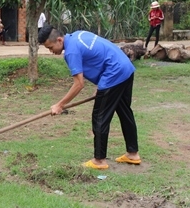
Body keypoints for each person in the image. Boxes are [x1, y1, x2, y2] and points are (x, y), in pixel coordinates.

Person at [37, 25, 141, 170]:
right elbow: (99, 55)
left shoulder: (71, 52)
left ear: (59, 40)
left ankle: (99, 160)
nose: (51, 51)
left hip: (113, 73)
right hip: (125, 67)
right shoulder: (78, 34)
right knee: (124, 112)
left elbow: (79, 84)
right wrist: (101, 87)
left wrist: (60, 105)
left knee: (100, 117)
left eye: (50, 47)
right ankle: (132, 153)